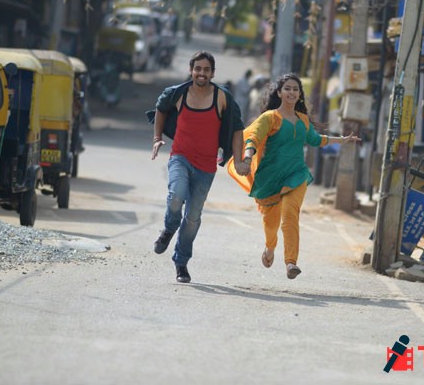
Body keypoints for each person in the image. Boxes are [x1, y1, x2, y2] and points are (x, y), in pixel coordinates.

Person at [228, 73, 360, 279]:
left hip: (297, 174)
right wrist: (246, 158)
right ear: (279, 93)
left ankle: (291, 262)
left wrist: (342, 140)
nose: (291, 92)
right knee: (271, 224)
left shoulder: (303, 120)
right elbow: (253, 138)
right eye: (287, 88)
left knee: (290, 215)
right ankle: (270, 247)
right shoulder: (270, 118)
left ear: (300, 94)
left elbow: (315, 139)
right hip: (270, 178)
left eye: (295, 89)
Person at [151, 51, 249, 283]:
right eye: (197, 69)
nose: (201, 73)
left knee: (193, 217)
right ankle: (169, 228)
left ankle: (181, 262)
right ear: (191, 71)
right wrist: (157, 138)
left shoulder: (222, 98)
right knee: (176, 196)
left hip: (206, 166)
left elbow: (237, 128)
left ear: (212, 73)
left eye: (206, 70)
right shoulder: (178, 93)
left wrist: (239, 159)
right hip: (180, 157)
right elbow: (161, 108)